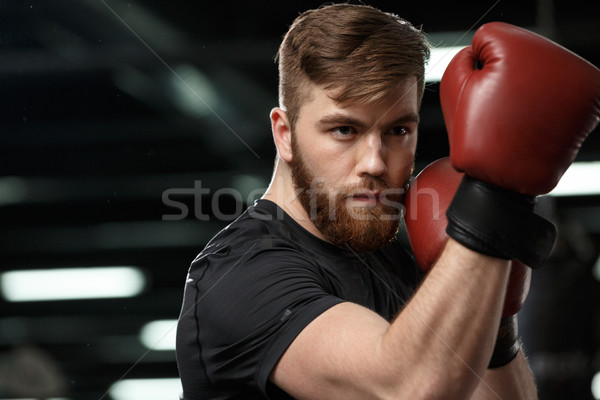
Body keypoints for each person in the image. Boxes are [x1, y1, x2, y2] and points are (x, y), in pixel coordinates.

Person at [176, 3, 600, 399]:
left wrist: (496, 317)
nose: (376, 162)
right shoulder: (241, 274)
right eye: (344, 130)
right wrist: (493, 204)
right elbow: (408, 386)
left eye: (398, 131)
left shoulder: (399, 263)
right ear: (284, 134)